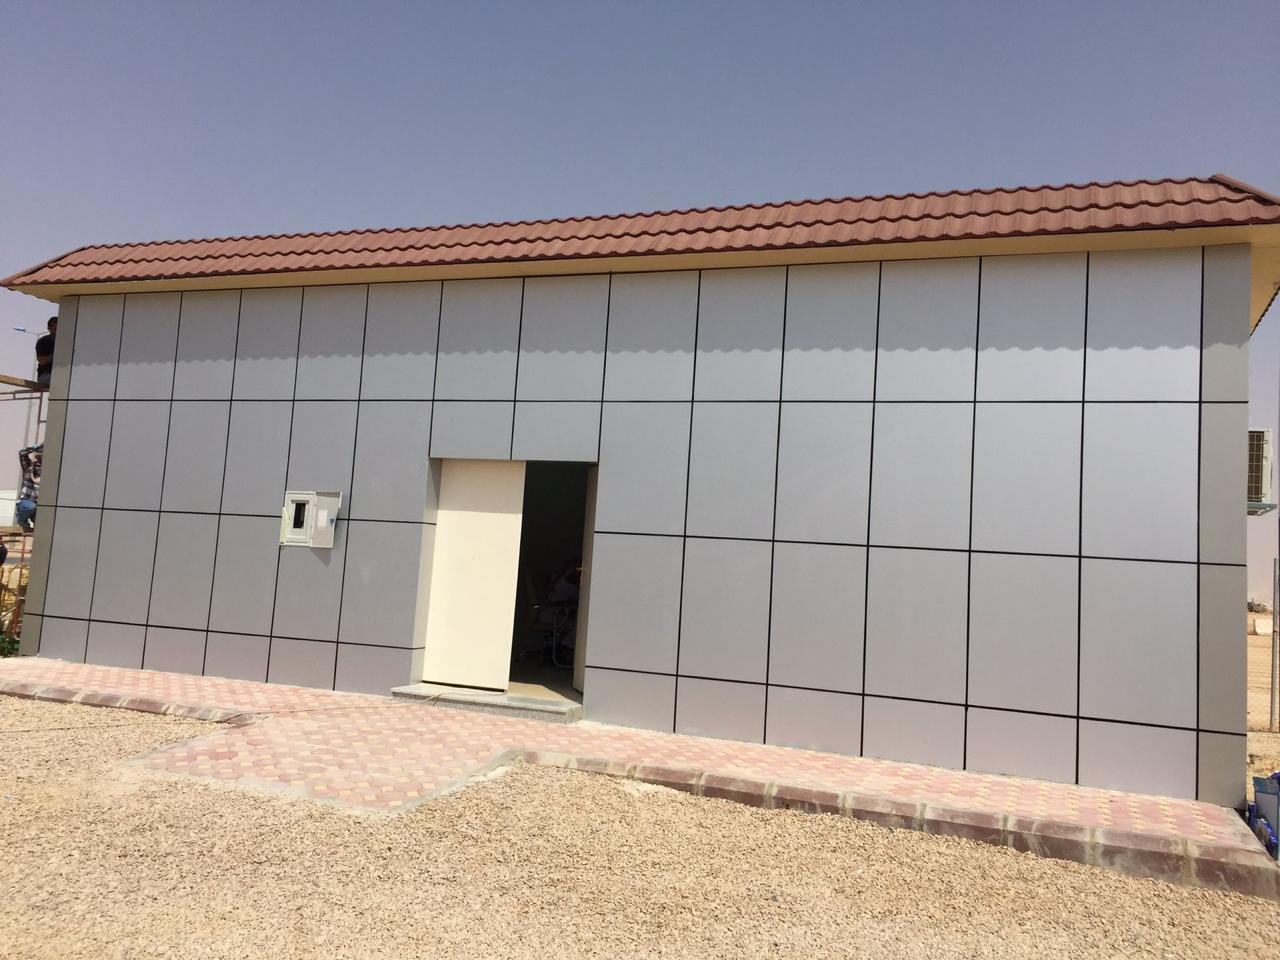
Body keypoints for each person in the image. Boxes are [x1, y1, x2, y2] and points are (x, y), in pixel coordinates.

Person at [16, 444, 40, 531]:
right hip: (25, 501)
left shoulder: (46, 474)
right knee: (31, 506)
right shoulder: (29, 467)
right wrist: (32, 449)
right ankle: (21, 520)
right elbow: (22, 453)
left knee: (43, 520)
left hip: (38, 505)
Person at [35, 317, 55, 389]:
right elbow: (42, 361)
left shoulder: (65, 342)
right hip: (45, 375)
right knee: (61, 380)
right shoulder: (44, 341)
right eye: (55, 328)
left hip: (59, 374)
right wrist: (57, 355)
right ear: (49, 328)